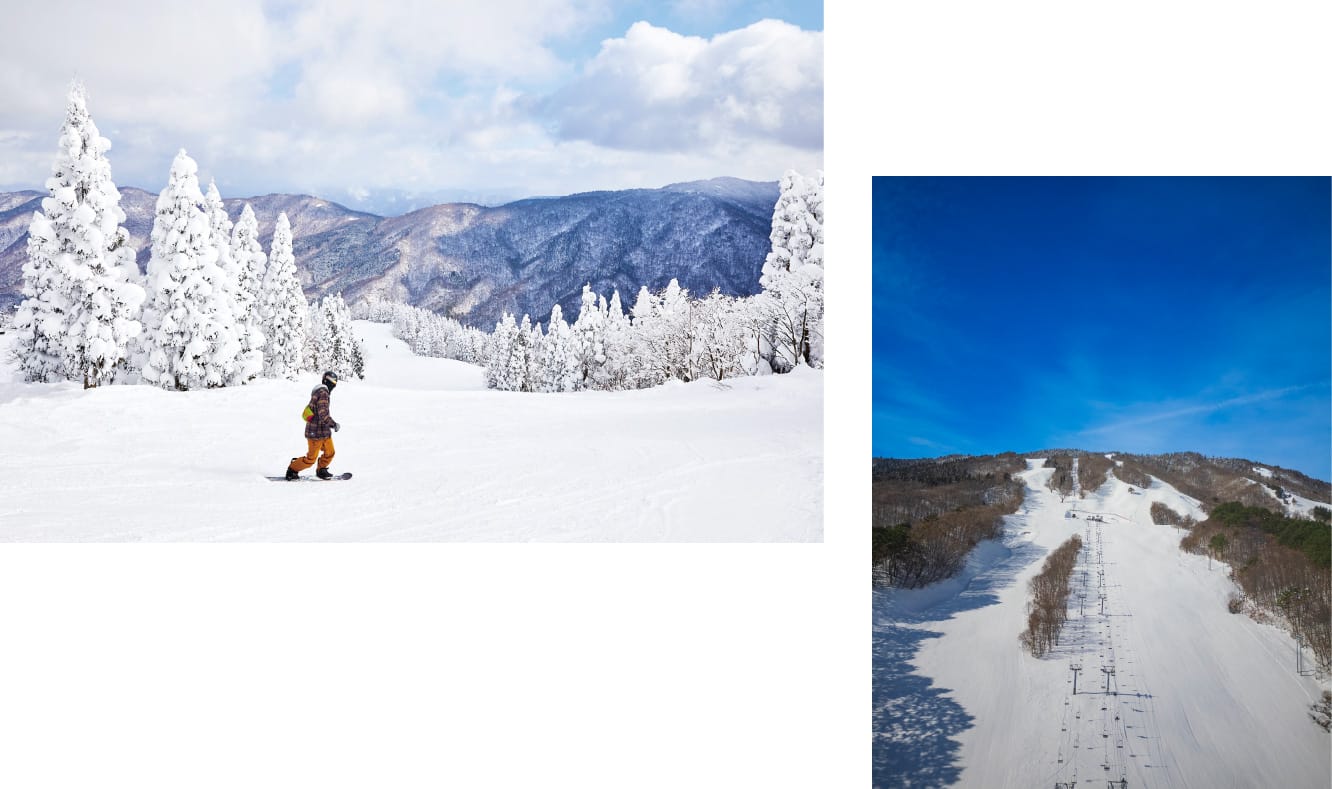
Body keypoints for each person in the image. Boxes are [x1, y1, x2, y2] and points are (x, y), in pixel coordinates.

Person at [285, 371, 341, 479]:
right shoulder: (323, 393)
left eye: (335, 382)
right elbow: (322, 413)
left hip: (323, 431)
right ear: (326, 381)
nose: (334, 384)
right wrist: (333, 424)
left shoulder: (321, 392)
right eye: (332, 382)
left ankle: (321, 470)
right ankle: (292, 469)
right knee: (310, 460)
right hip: (315, 432)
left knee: (330, 452)